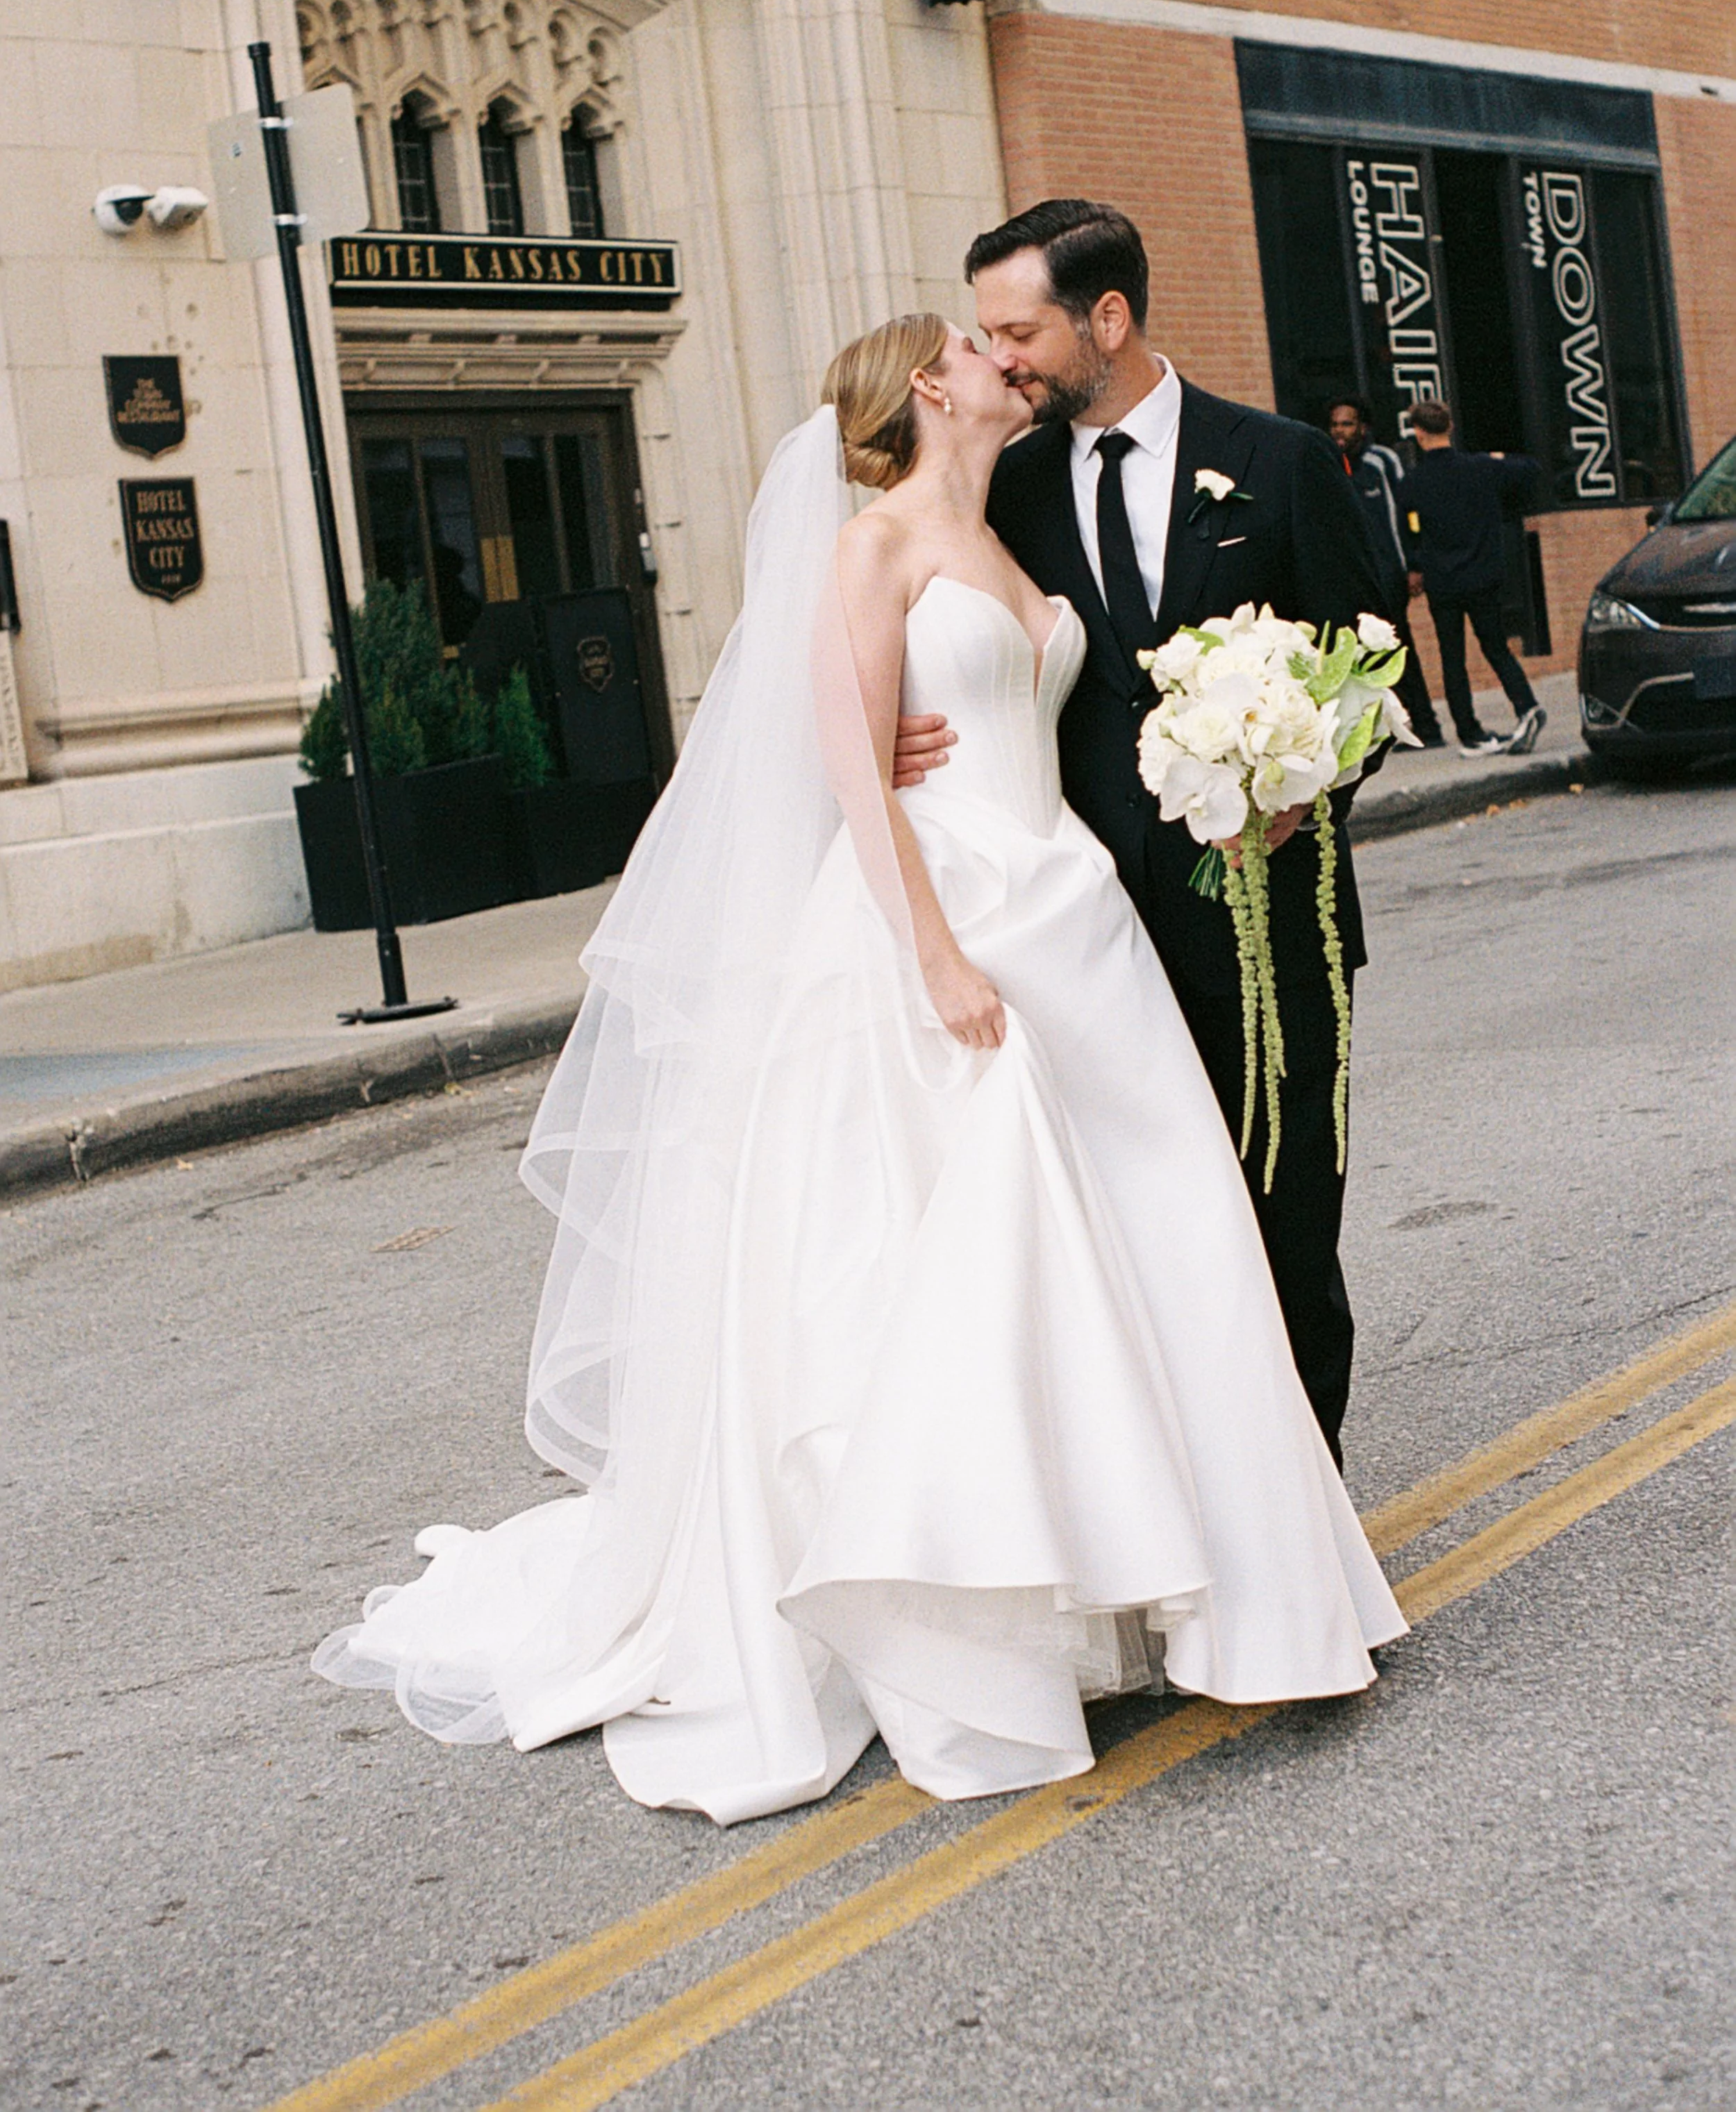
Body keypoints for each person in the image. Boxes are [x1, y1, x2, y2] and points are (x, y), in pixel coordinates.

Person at [312, 314, 1404, 1824]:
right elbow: (849, 766)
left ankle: (1214, 1591)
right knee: (971, 1277)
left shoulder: (1013, 530)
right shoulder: (871, 547)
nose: (1000, 354)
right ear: (926, 387)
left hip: (1072, 915)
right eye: (970, 342)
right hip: (945, 924)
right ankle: (977, 1620)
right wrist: (936, 957)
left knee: (1153, 1247)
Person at [896, 203, 1386, 1460]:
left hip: (1267, 930)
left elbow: (1367, 674)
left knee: (1286, 1230)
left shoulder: (1279, 461)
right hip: (1084, 942)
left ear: (1106, 318)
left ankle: (1307, 1519)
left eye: (1021, 332)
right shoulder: (1007, 484)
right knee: (1138, 1245)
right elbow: (933, 625)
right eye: (989, 335)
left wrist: (1304, 784)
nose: (1001, 359)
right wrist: (898, 728)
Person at [1397, 396, 1544, 757]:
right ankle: (1526, 705)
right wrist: (1497, 457)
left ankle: (1469, 731)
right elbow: (1531, 469)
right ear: (1450, 427)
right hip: (1483, 575)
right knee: (1496, 647)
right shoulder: (1480, 467)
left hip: (1443, 581)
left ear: (1418, 433)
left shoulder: (1414, 482)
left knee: (1453, 658)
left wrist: (1416, 566)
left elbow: (1409, 531)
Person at [1327, 398, 1444, 748]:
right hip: (1354, 579)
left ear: (1362, 428)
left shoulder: (1382, 461)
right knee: (1367, 659)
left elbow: (1407, 516)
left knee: (1397, 650)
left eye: (1347, 424)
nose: (1340, 431)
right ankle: (1389, 732)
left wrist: (1413, 566)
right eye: (1335, 424)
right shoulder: (1330, 465)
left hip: (1389, 575)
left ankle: (1427, 727)